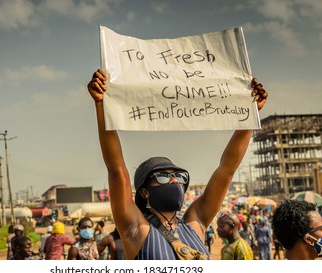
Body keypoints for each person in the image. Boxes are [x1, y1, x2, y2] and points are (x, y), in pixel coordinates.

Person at [87, 69, 268, 259]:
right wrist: (101, 104)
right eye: (164, 176)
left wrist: (250, 114)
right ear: (144, 192)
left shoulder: (195, 222)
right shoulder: (136, 228)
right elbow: (117, 170)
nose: (174, 180)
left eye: (178, 176)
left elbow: (227, 169)